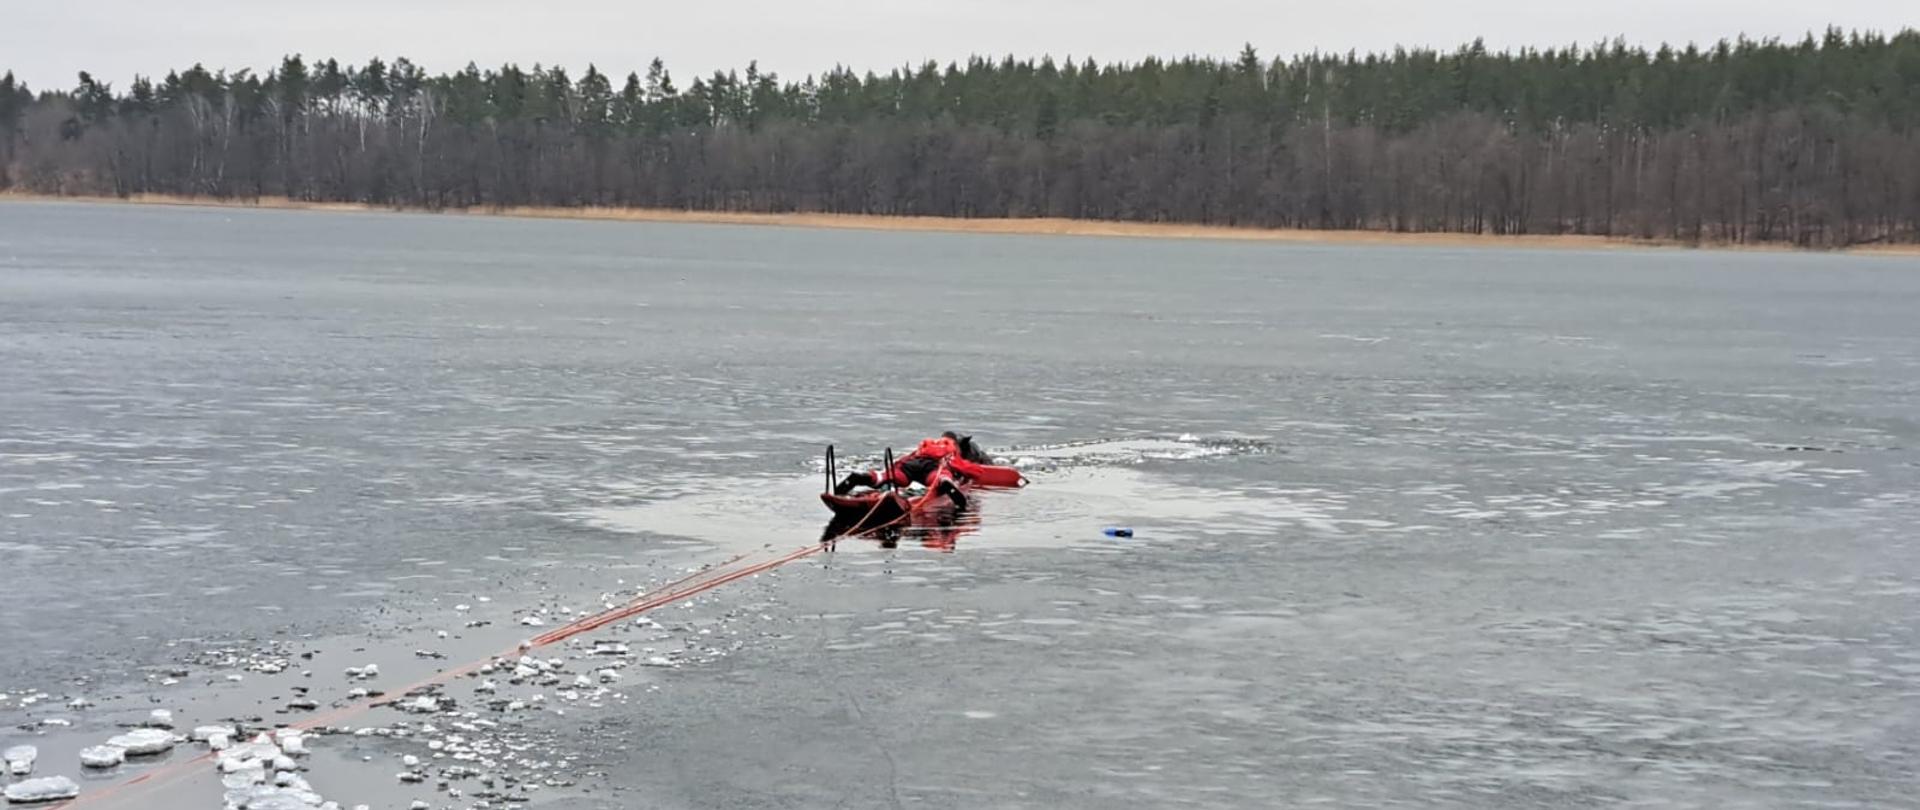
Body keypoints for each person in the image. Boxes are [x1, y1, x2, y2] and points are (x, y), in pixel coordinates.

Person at [834, 431, 989, 507]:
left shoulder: (924, 448)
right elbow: (970, 470)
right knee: (940, 476)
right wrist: (970, 473)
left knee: (891, 476)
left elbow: (903, 460)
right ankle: (945, 482)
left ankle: (868, 477)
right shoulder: (951, 453)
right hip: (932, 469)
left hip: (909, 465)